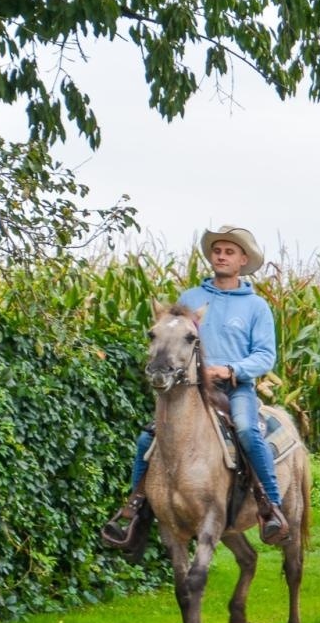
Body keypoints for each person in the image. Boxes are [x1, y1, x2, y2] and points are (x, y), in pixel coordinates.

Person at [100, 224, 290, 553]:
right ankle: (134, 511)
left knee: (247, 430)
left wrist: (230, 369)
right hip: (191, 390)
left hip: (234, 389)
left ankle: (269, 506)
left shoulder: (256, 307)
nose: (221, 255)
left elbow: (265, 356)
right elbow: (174, 337)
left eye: (229, 251)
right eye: (217, 250)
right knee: (148, 437)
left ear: (243, 259)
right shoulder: (191, 299)